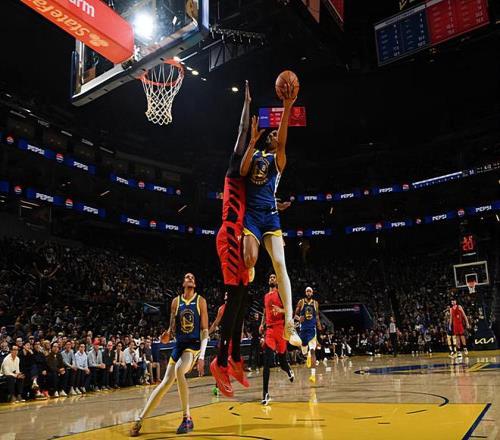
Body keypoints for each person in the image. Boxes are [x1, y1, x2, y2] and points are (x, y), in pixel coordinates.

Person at [240, 82, 301, 349]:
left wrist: (287, 108)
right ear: (268, 139)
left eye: (278, 134)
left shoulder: (279, 160)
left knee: (280, 263)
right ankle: (250, 264)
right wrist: (252, 141)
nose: (276, 135)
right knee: (249, 259)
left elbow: (284, 139)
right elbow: (243, 172)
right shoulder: (256, 154)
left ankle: (289, 323)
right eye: (273, 133)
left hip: (271, 216)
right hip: (252, 216)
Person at [211, 81, 256, 398]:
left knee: (243, 300)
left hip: (238, 239)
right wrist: (247, 103)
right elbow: (241, 132)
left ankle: (236, 358)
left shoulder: (247, 183)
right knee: (234, 300)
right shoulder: (233, 169)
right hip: (228, 236)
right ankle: (220, 361)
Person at [130, 273, 209, 436]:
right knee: (165, 383)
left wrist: (201, 357)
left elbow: (205, 331)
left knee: (179, 370)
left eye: (192, 277)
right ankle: (140, 419)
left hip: (193, 346)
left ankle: (186, 418)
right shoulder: (176, 302)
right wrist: (166, 335)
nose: (190, 277)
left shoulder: (200, 301)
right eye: (187, 276)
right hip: (179, 346)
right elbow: (171, 329)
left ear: (195, 284)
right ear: (183, 283)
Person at [260, 273, 294, 405]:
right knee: (266, 362)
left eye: (274, 277)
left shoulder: (280, 293)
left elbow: (289, 310)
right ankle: (265, 393)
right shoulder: (265, 296)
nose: (271, 279)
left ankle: (288, 370)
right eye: (270, 277)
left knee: (282, 362)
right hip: (269, 331)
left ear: (277, 281)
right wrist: (262, 324)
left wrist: (280, 310)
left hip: (280, 330)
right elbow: (265, 311)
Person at [294, 287, 322, 383]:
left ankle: (313, 375)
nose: (308, 293)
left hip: (312, 330)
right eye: (307, 291)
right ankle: (307, 356)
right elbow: (295, 315)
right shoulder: (301, 302)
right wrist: (299, 318)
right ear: (305, 293)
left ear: (312, 293)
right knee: (304, 352)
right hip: (303, 331)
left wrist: (319, 326)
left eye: (310, 291)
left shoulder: (315, 303)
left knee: (313, 351)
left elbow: (317, 316)